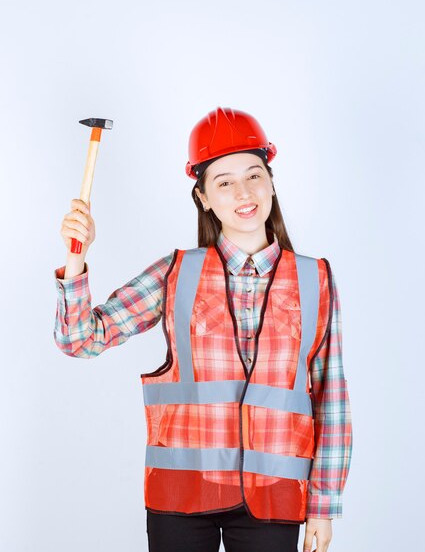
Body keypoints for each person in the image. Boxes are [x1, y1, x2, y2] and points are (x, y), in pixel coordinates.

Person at [54, 107, 353, 552]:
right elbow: (80, 339)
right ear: (204, 198)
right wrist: (77, 257)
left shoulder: (315, 279)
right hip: (181, 496)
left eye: (254, 176)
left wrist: (324, 506)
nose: (243, 192)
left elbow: (332, 398)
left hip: (275, 497)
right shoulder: (177, 273)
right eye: (224, 182)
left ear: (271, 182)